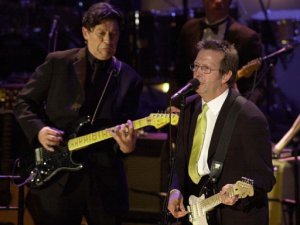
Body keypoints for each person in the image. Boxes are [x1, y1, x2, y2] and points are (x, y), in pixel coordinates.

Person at [13, 2, 143, 225]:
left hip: (104, 183)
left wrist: (126, 147)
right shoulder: (58, 62)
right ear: (86, 32)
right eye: (101, 34)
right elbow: (23, 102)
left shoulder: (130, 78)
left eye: (113, 35)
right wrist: (40, 130)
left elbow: (125, 130)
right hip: (57, 178)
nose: (107, 41)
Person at [167, 40, 275, 225]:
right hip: (195, 215)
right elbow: (180, 159)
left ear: (226, 75)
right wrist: (175, 190)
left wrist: (237, 189)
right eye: (196, 66)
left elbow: (264, 178)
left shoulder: (248, 117)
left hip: (234, 217)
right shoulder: (189, 107)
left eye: (206, 69)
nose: (197, 73)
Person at [170, 0, 263, 103]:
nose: (218, 1)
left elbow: (257, 87)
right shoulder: (189, 29)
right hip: (190, 109)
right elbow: (178, 74)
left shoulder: (247, 37)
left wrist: (240, 108)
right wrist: (174, 104)